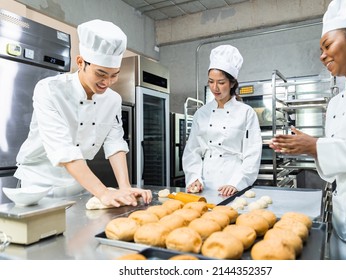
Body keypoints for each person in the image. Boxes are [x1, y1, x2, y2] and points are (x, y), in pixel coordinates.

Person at [269, 0, 346, 259]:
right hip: (341, 216)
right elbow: (336, 165)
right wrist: (309, 149)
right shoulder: (336, 102)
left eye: (327, 45)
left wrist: (316, 146)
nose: (322, 55)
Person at [14, 19, 152, 207]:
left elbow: (115, 143)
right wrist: (103, 193)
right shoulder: (49, 89)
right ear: (81, 62)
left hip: (79, 183)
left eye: (114, 75)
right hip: (39, 185)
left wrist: (125, 187)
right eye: (101, 74)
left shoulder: (113, 100)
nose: (108, 82)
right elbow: (63, 149)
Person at [182, 45, 262, 197]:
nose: (215, 88)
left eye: (221, 82)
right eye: (211, 81)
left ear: (232, 83)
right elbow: (192, 151)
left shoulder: (246, 113)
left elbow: (252, 152)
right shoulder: (202, 113)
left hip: (234, 181)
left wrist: (236, 183)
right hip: (205, 183)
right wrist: (194, 178)